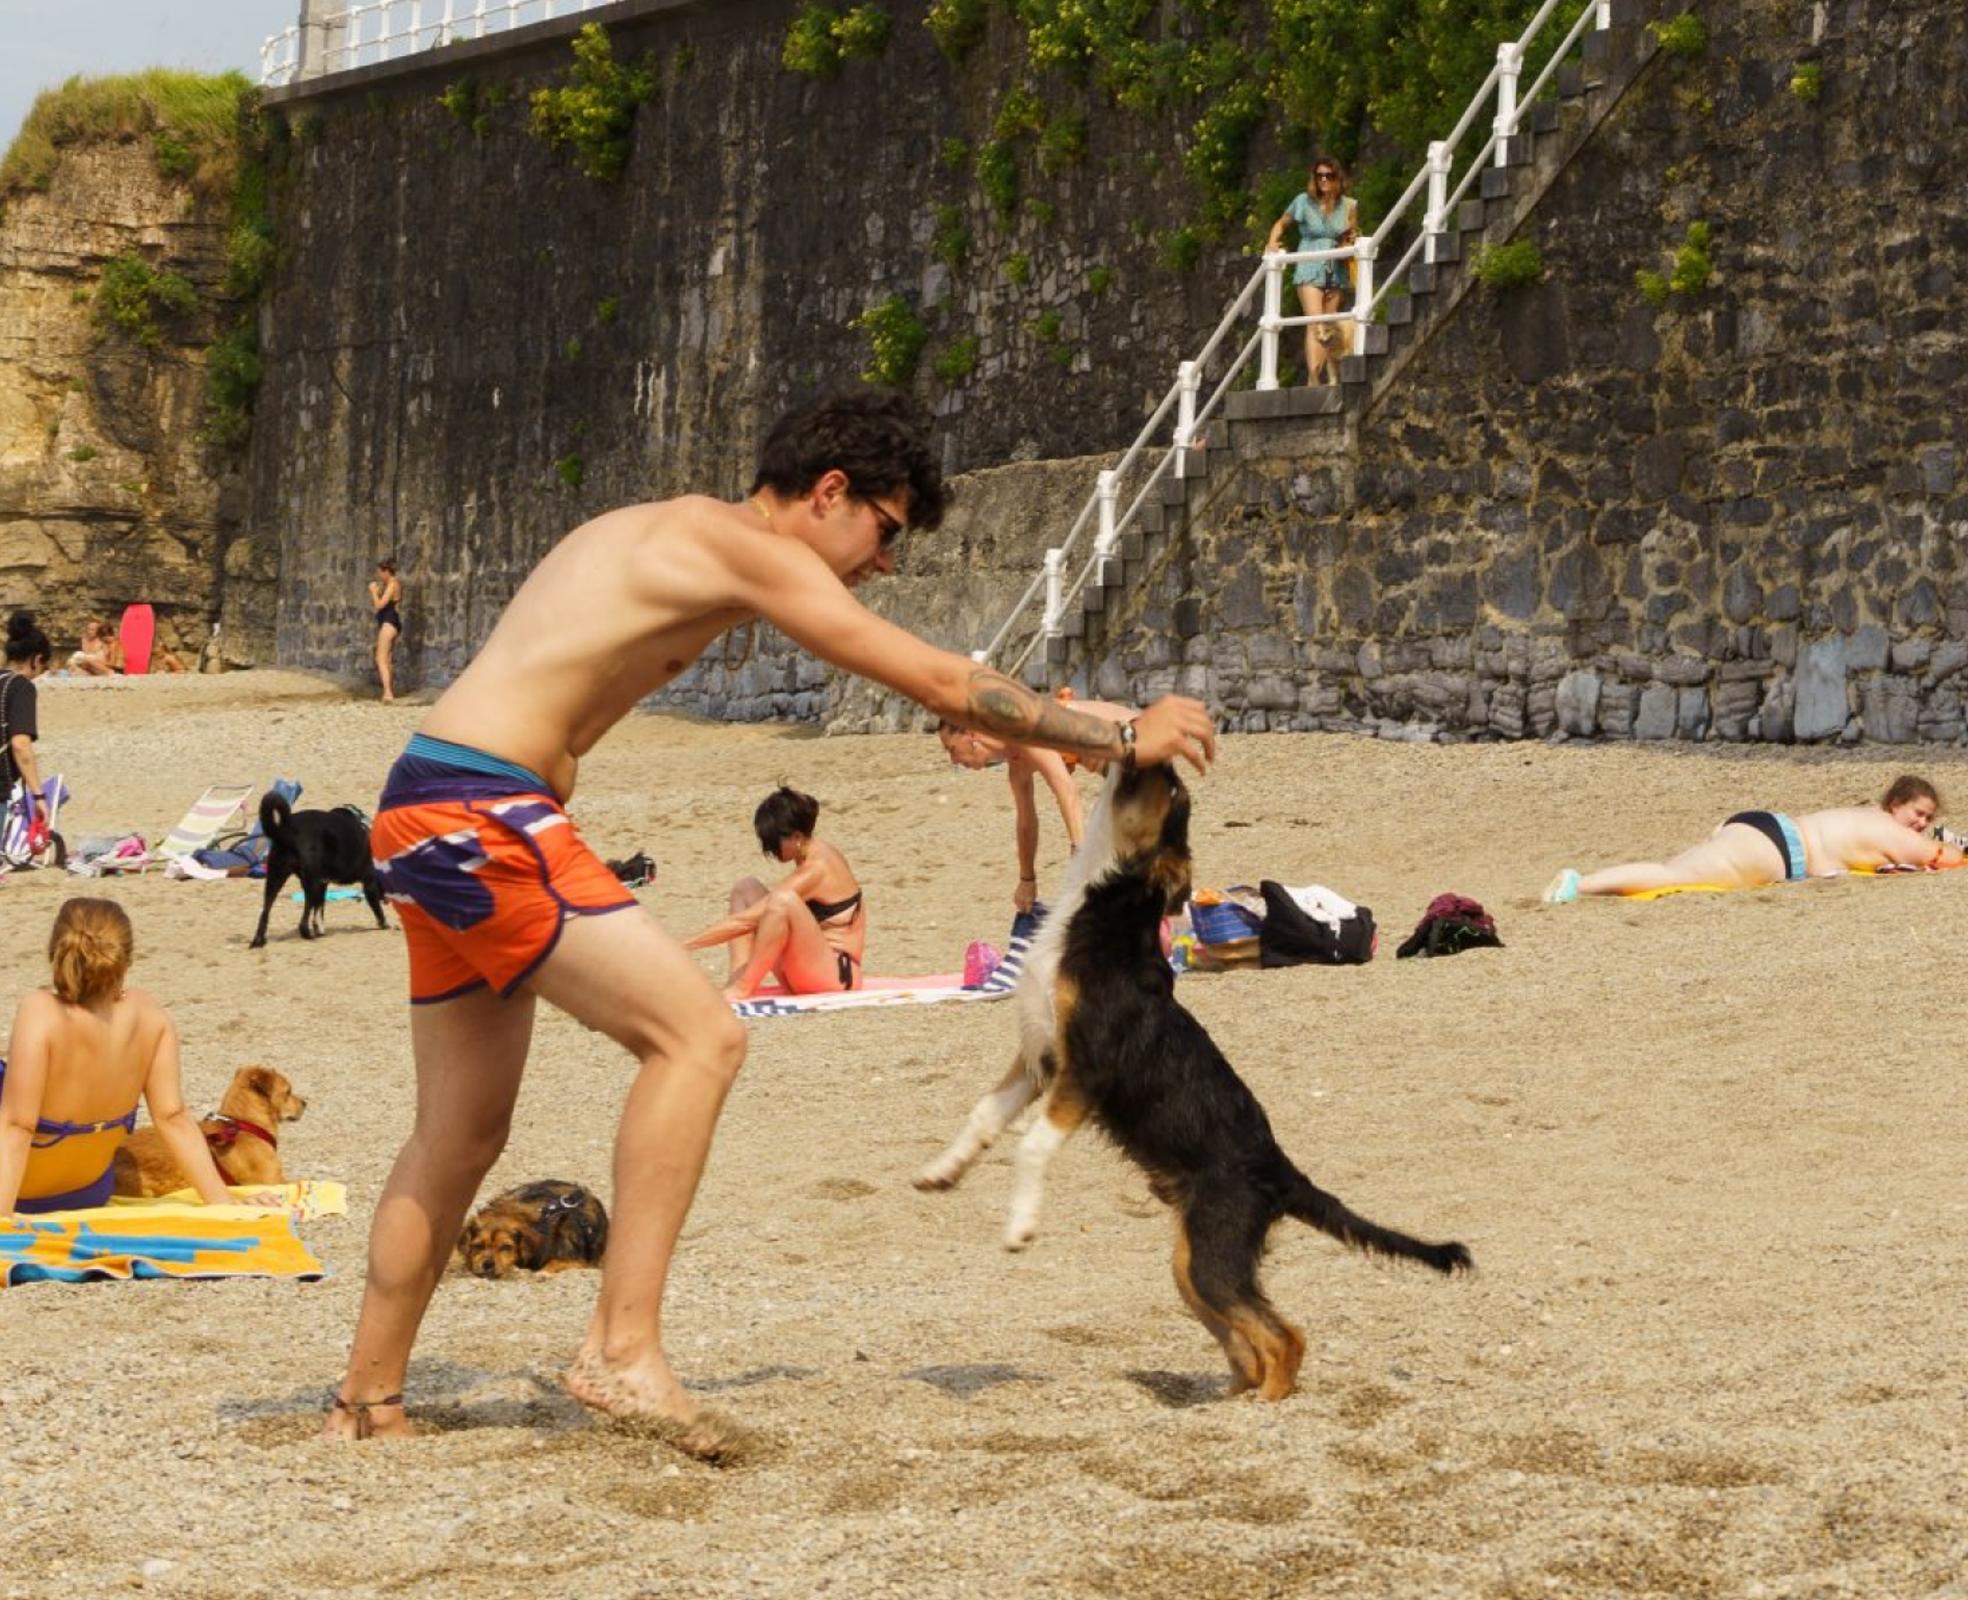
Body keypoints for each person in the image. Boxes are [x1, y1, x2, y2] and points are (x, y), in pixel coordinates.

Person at [321, 390, 1216, 1454]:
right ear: (829, 492)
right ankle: (620, 1349)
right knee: (698, 1036)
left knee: (461, 1131)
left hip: (426, 802)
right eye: (883, 530)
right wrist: (1121, 739)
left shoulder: (672, 533)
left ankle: (366, 1405)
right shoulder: (742, 543)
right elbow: (934, 674)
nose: (883, 562)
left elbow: (942, 691)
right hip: (483, 809)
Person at [1, 899, 250, 1216]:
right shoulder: (149, 1014)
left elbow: (18, 1125)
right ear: (126, 959)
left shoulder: (41, 1011)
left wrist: (3, 1227)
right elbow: (173, 1118)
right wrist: (222, 1201)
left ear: (55, 953)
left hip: (19, 1191)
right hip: (85, 1193)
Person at [1543, 775, 1962, 902]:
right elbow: (1942, 857)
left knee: (1680, 869)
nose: (1921, 823)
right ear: (1895, 805)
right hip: (1775, 848)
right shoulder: (1888, 829)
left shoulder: (1866, 818)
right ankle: (1580, 884)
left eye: (1928, 818)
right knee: (1672, 874)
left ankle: (1586, 883)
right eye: (1917, 813)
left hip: (1763, 831)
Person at [935, 692, 1137, 913]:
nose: (953, 760)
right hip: (1125, 768)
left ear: (971, 734)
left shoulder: (1024, 731)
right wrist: (1027, 880)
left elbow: (1067, 790)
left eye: (951, 749)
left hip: (1139, 738)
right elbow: (1026, 822)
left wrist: (1079, 853)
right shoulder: (1017, 765)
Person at [685, 785, 866, 999]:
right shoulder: (810, 850)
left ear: (797, 837)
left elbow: (746, 921)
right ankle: (735, 981)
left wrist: (683, 946)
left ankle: (744, 987)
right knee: (746, 888)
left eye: (773, 842)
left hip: (836, 977)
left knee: (782, 901)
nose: (768, 850)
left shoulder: (817, 868)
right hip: (807, 968)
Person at [1266, 158, 1357, 387]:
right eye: (1320, 176)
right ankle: (1314, 377)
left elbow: (1350, 235)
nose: (1324, 180)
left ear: (1338, 178)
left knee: (1329, 326)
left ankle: (1332, 377)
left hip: (1335, 266)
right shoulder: (1303, 202)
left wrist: (1350, 243)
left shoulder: (1348, 206)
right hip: (1309, 263)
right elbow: (1281, 223)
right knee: (1315, 322)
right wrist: (1273, 241)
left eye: (1329, 175)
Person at [3, 612, 51, 814]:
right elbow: (20, 744)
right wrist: (38, 795)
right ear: (37, 659)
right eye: (44, 667)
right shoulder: (20, 686)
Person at [369, 559, 403, 704]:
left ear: (387, 571)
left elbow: (379, 605)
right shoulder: (392, 584)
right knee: (387, 659)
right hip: (390, 623)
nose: (379, 576)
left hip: (389, 623)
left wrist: (373, 593)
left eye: (381, 572)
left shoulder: (392, 584)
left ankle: (388, 693)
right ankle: (388, 690)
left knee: (380, 658)